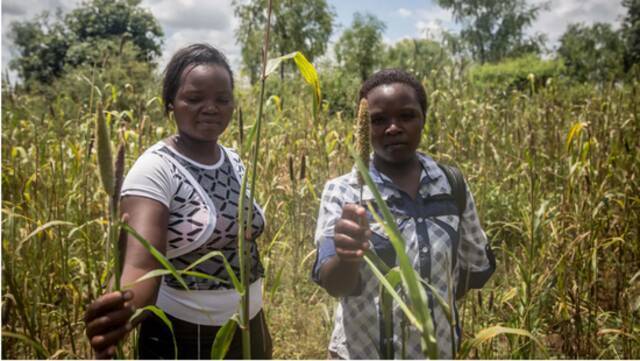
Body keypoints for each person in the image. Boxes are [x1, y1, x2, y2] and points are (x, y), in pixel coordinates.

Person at [84, 43, 272, 359]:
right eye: (195, 99)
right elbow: (142, 265)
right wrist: (123, 308)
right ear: (171, 103)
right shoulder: (156, 169)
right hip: (185, 338)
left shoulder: (234, 160)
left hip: (251, 329)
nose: (211, 108)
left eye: (222, 100)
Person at [312, 69, 496, 359]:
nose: (393, 128)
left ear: (423, 119)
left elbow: (474, 270)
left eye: (407, 116)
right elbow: (334, 284)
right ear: (363, 128)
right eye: (378, 120)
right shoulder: (343, 192)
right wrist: (347, 257)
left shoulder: (451, 185)